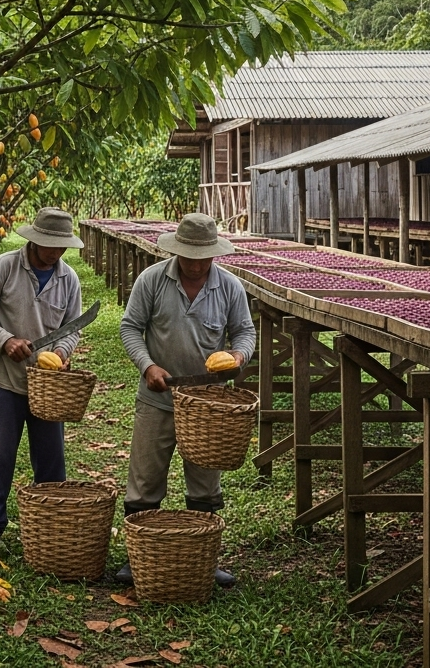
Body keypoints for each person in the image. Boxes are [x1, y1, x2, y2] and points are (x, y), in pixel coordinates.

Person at [116, 212, 255, 587]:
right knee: (145, 481)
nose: (195, 264)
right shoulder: (152, 280)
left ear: (214, 253)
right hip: (158, 398)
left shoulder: (229, 287)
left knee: (206, 485)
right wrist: (148, 366)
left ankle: (204, 560)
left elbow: (244, 332)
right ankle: (138, 557)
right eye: (189, 256)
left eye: (203, 257)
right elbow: (130, 327)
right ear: (177, 251)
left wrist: (239, 356)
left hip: (208, 406)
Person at [0, 207, 84, 549]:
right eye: (50, 245)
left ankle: (51, 525)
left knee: (51, 459)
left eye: (61, 247)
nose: (56, 252)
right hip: (4, 379)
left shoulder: (69, 279)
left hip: (48, 386)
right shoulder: (3, 267)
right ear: (34, 240)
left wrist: (61, 352)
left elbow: (72, 329)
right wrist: (5, 340)